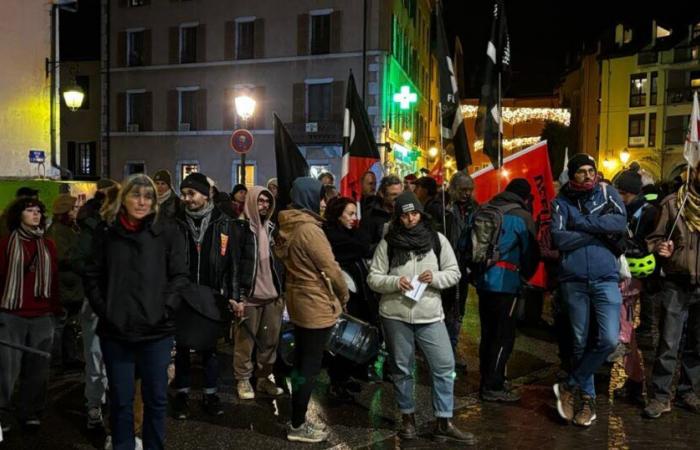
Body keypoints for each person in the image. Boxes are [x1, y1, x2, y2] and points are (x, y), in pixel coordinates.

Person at [85, 174, 190, 450]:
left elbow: (180, 276)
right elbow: (92, 274)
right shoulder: (106, 232)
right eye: (135, 195)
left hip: (156, 332)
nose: (142, 202)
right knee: (120, 399)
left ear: (155, 201)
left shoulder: (167, 231)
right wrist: (105, 310)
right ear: (124, 197)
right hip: (116, 332)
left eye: (148, 196)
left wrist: (164, 308)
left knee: (156, 399)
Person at [367, 192, 475, 444]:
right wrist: (395, 282)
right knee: (402, 369)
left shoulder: (438, 240)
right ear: (398, 217)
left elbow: (454, 273)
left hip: (430, 315)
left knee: (445, 366)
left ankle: (444, 421)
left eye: (413, 213)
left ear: (420, 214)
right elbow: (373, 277)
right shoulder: (389, 243)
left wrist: (434, 278)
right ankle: (408, 420)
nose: (410, 219)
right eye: (404, 215)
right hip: (395, 315)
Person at [551, 153, 627, 427]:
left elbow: (619, 223)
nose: (587, 175)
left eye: (590, 170)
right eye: (580, 171)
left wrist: (581, 225)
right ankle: (587, 402)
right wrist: (597, 231)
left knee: (607, 340)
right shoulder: (560, 202)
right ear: (572, 176)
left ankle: (569, 386)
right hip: (574, 281)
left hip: (606, 279)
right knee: (580, 343)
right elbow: (559, 237)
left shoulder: (608, 194)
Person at [275, 177, 349, 443]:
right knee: (309, 366)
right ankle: (297, 424)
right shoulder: (309, 230)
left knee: (302, 362)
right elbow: (331, 268)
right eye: (319, 197)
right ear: (308, 198)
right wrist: (344, 293)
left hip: (298, 299)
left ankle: (296, 417)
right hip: (314, 302)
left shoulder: (289, 224)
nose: (322, 202)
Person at [171, 173, 236, 419]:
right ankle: (182, 394)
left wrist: (232, 294)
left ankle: (210, 394)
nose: (187, 199)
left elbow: (231, 263)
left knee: (210, 348)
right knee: (184, 347)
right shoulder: (176, 222)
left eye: (192, 194)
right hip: (185, 295)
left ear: (206, 194)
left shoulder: (223, 222)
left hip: (212, 295)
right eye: (184, 194)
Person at [473, 179, 539, 402]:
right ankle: (493, 384)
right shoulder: (522, 217)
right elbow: (531, 253)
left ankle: (487, 377)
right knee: (503, 336)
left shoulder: (483, 209)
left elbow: (466, 245)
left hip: (483, 280)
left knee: (488, 333)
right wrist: (524, 277)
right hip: (506, 283)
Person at [644, 164, 700, 419]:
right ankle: (660, 395)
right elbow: (653, 238)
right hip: (676, 282)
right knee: (668, 341)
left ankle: (688, 391)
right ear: (695, 173)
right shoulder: (672, 203)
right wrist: (660, 247)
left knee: (697, 344)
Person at [0, 197, 59, 434]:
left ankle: (30, 411)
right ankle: (2, 412)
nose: (35, 215)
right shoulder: (5, 244)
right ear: (18, 215)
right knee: (7, 368)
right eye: (30, 211)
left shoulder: (48, 245)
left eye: (38, 211)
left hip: (42, 314)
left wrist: (56, 309)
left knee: (38, 368)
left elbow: (53, 280)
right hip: (11, 313)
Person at [230, 187, 284, 400]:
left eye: (267, 202)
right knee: (245, 342)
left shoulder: (272, 229)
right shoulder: (239, 229)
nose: (264, 206)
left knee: (269, 341)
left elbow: (280, 263)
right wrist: (237, 297)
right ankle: (243, 379)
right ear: (251, 201)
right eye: (260, 201)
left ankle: (263, 378)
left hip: (272, 296)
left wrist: (282, 294)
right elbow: (233, 265)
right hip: (249, 297)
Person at [323, 197, 377, 398]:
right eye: (350, 214)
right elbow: (362, 246)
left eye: (356, 214)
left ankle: (345, 378)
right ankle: (336, 382)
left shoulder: (348, 233)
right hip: (344, 295)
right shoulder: (333, 236)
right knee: (343, 340)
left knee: (353, 338)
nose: (354, 219)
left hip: (358, 293)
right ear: (338, 215)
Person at [442, 172, 478, 370]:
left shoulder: (475, 209)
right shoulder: (443, 208)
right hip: (444, 266)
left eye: (469, 190)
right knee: (443, 310)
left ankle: (451, 349)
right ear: (453, 189)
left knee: (457, 312)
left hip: (463, 267)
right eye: (463, 190)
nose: (466, 194)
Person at [46, 194, 83, 370]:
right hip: (65, 286)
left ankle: (69, 357)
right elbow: (62, 257)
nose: (77, 211)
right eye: (74, 208)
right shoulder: (58, 231)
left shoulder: (69, 228)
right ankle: (58, 360)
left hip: (72, 287)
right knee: (61, 325)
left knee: (70, 325)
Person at [360, 175, 403, 252]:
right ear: (382, 194)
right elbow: (364, 248)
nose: (398, 198)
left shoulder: (405, 214)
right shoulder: (370, 215)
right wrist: (388, 245)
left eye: (400, 195)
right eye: (393, 194)